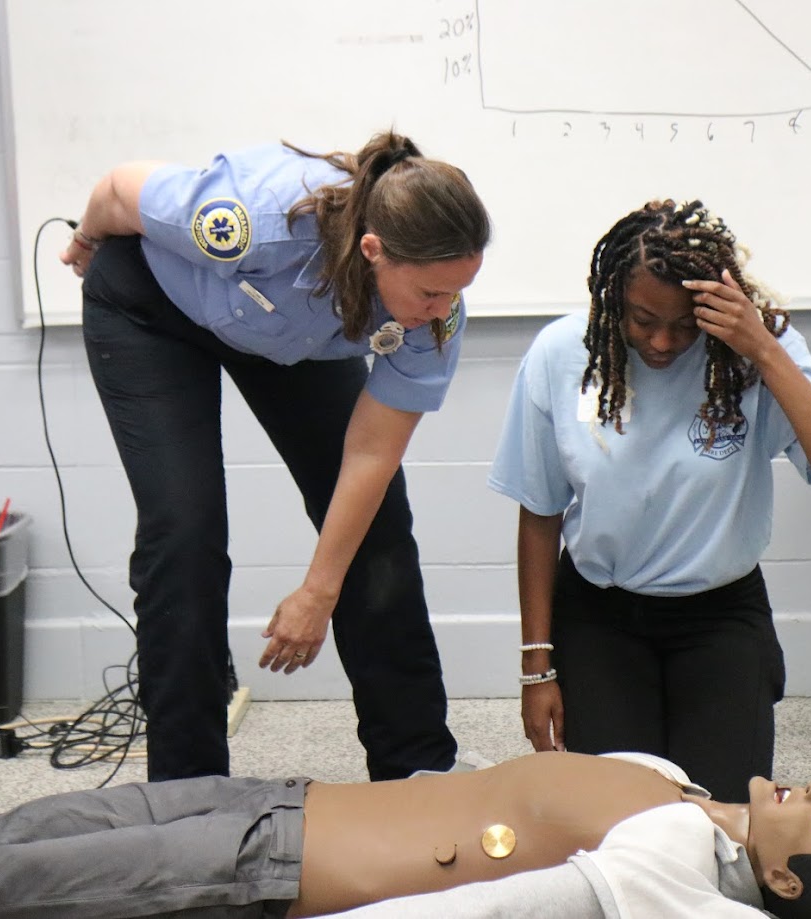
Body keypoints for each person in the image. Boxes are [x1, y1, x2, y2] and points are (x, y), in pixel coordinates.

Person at [59, 131, 491, 782]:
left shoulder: (434, 316)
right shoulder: (249, 222)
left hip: (291, 338)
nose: (444, 308)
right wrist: (88, 242)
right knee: (185, 533)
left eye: (456, 290)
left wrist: (320, 589)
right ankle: (188, 792)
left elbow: (372, 452)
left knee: (377, 531)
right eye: (431, 292)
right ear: (374, 251)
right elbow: (120, 188)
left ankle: (415, 770)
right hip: (154, 311)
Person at [487, 199, 811, 802]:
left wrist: (765, 352)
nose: (663, 341)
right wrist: (537, 668)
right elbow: (539, 515)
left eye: (684, 325)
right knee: (622, 819)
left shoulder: (753, 351)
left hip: (720, 613)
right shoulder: (562, 353)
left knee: (719, 819)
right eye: (642, 320)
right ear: (612, 298)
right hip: (600, 614)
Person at [0, 750, 811, 919]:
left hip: (260, 866)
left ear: (783, 880)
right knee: (14, 828)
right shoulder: (674, 786)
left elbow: (495, 905)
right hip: (281, 797)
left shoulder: (673, 869)